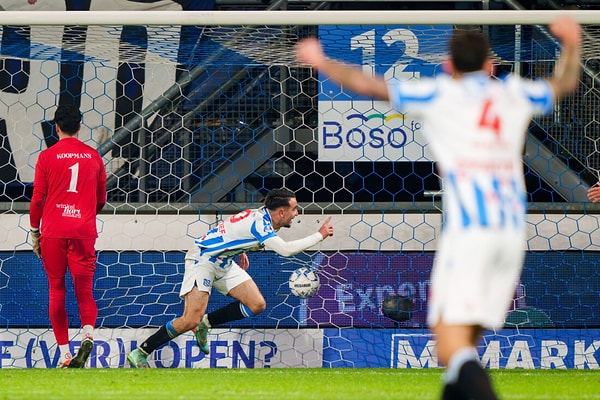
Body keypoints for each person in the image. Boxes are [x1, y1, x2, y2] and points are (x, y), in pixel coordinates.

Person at [296, 16, 581, 400]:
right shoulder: (513, 94)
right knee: (467, 340)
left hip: (470, 233)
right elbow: (563, 84)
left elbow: (368, 84)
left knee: (449, 346)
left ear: (447, 67)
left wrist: (321, 61)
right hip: (512, 234)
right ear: (491, 66)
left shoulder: (441, 94)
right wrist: (571, 43)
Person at [127, 188, 334, 368]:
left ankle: (206, 324)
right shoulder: (260, 224)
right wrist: (319, 235)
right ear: (281, 212)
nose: (296, 214)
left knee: (257, 304)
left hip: (224, 261)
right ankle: (141, 352)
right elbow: (286, 250)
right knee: (190, 319)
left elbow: (230, 228)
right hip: (204, 260)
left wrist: (239, 249)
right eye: (294, 209)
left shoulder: (259, 215)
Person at [29, 104, 107, 368]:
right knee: (84, 290)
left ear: (56, 127)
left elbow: (38, 200)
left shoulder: (47, 157)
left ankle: (64, 353)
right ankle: (87, 334)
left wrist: (34, 231)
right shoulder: (94, 157)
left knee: (57, 289)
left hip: (53, 232)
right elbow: (101, 200)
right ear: (80, 127)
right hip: (83, 231)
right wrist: (83, 213)